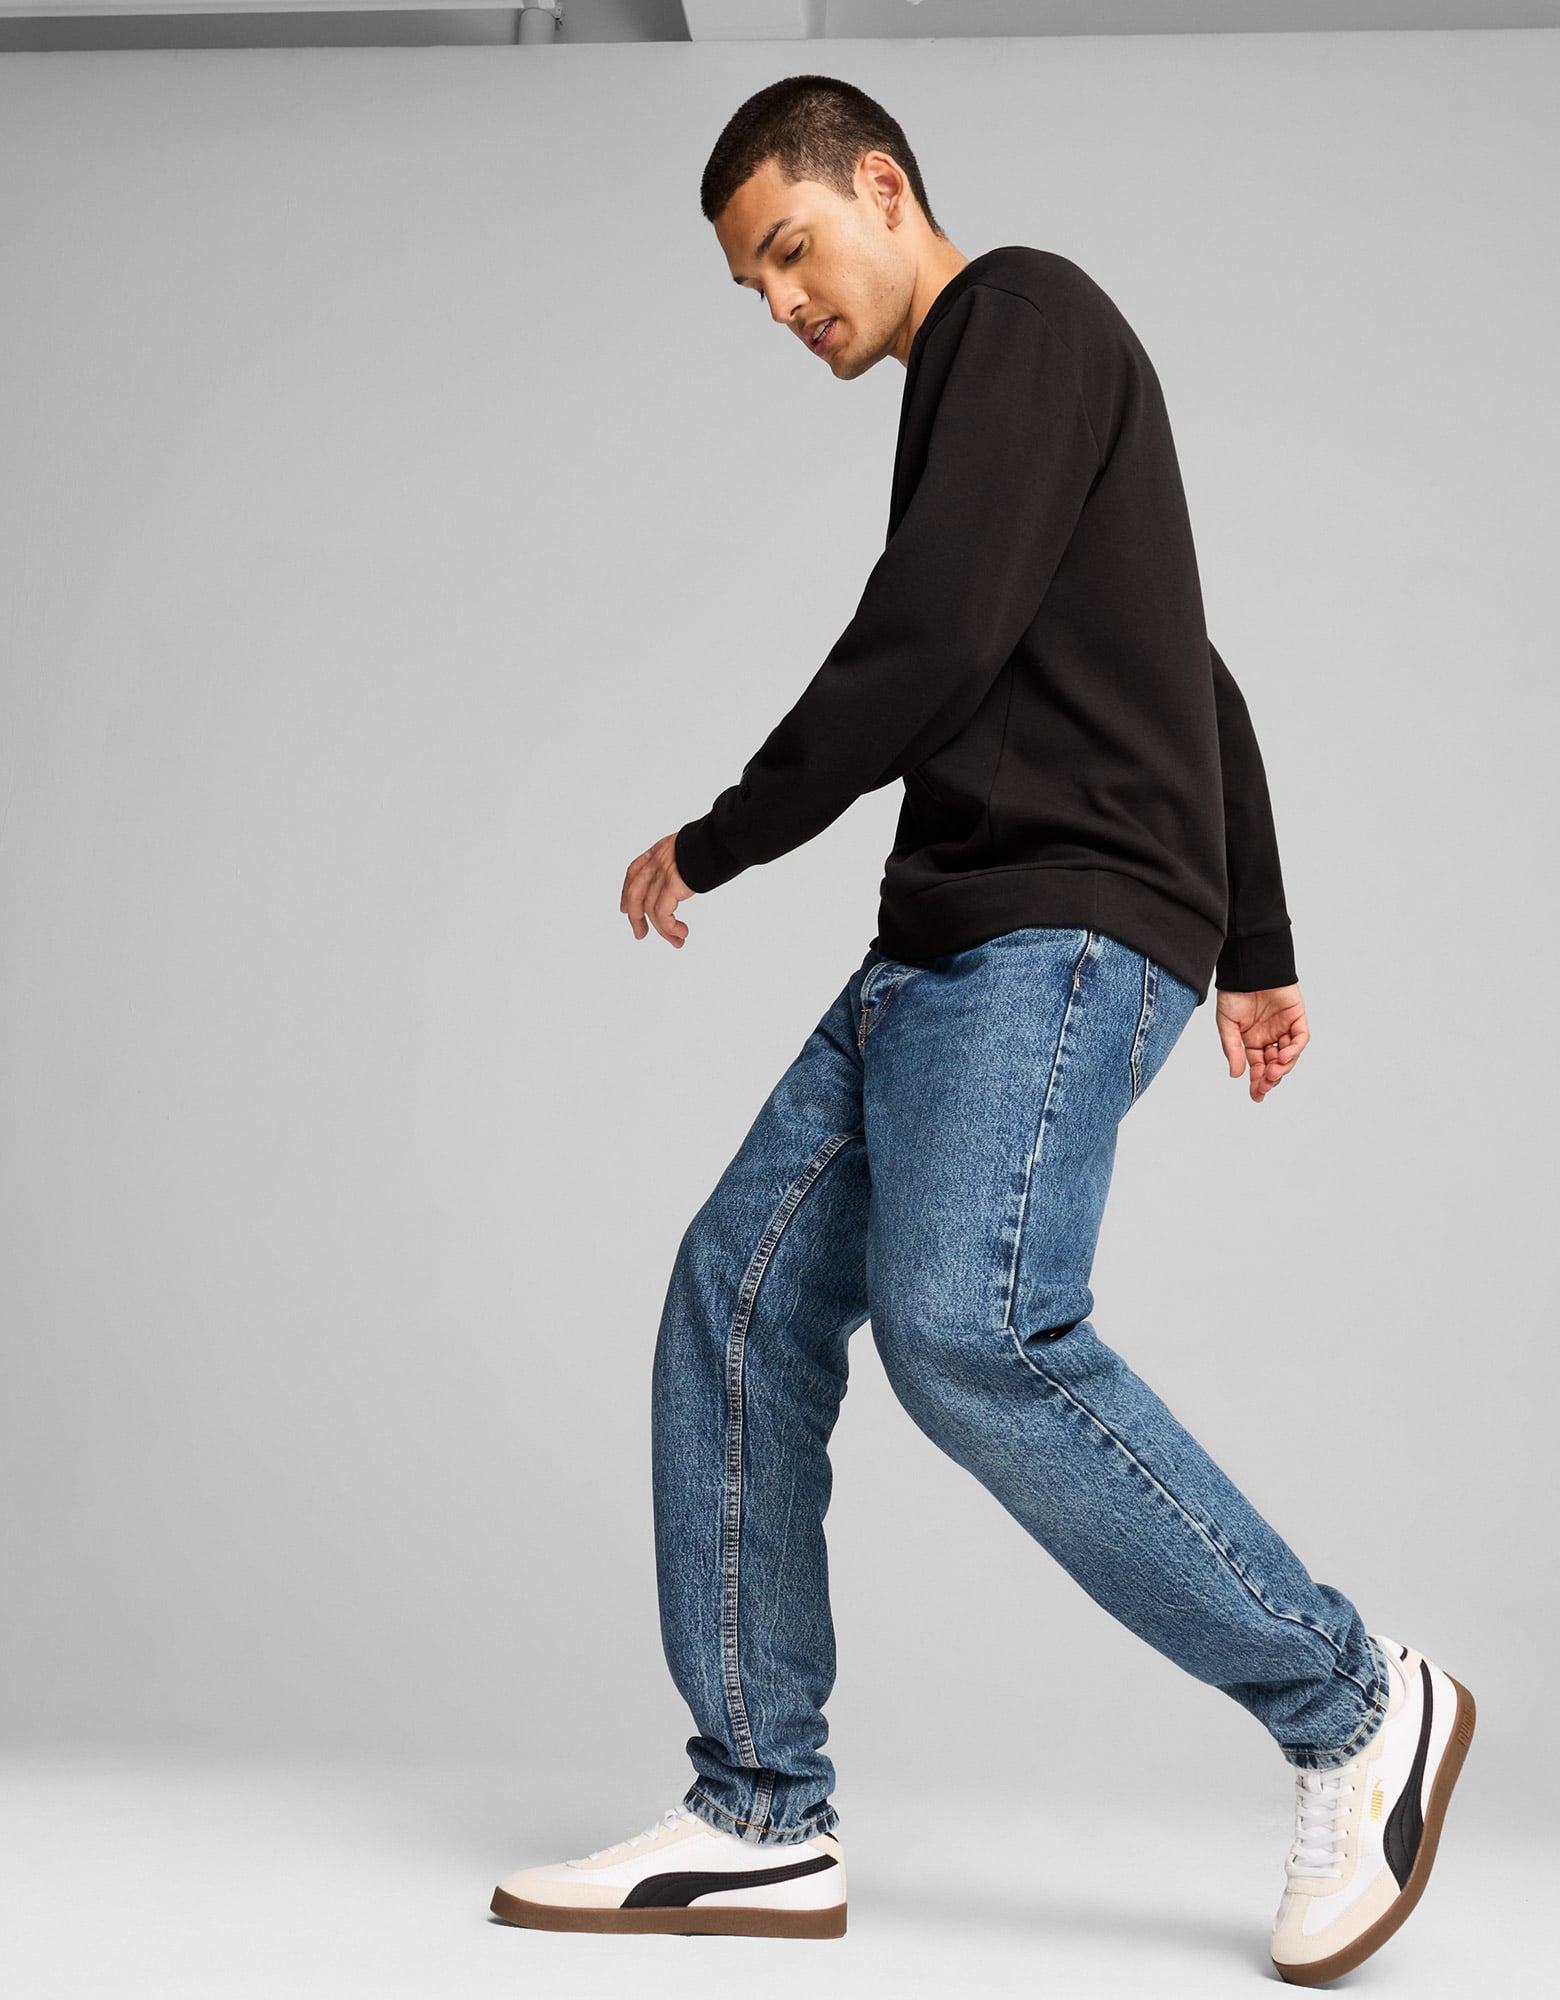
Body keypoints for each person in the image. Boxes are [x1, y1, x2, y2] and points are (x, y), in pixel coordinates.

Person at [489, 73, 1474, 1987]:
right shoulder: (996, 393)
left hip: (1049, 932)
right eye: (753, 289)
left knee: (970, 1328)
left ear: (885, 185)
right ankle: (759, 1815)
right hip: (942, 949)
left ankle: (1356, 1706)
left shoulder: (1018, 314)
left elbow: (929, 636)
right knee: (737, 1296)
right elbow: (1186, 663)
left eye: (793, 250)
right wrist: (1261, 940)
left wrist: (723, 833)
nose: (786, 305)